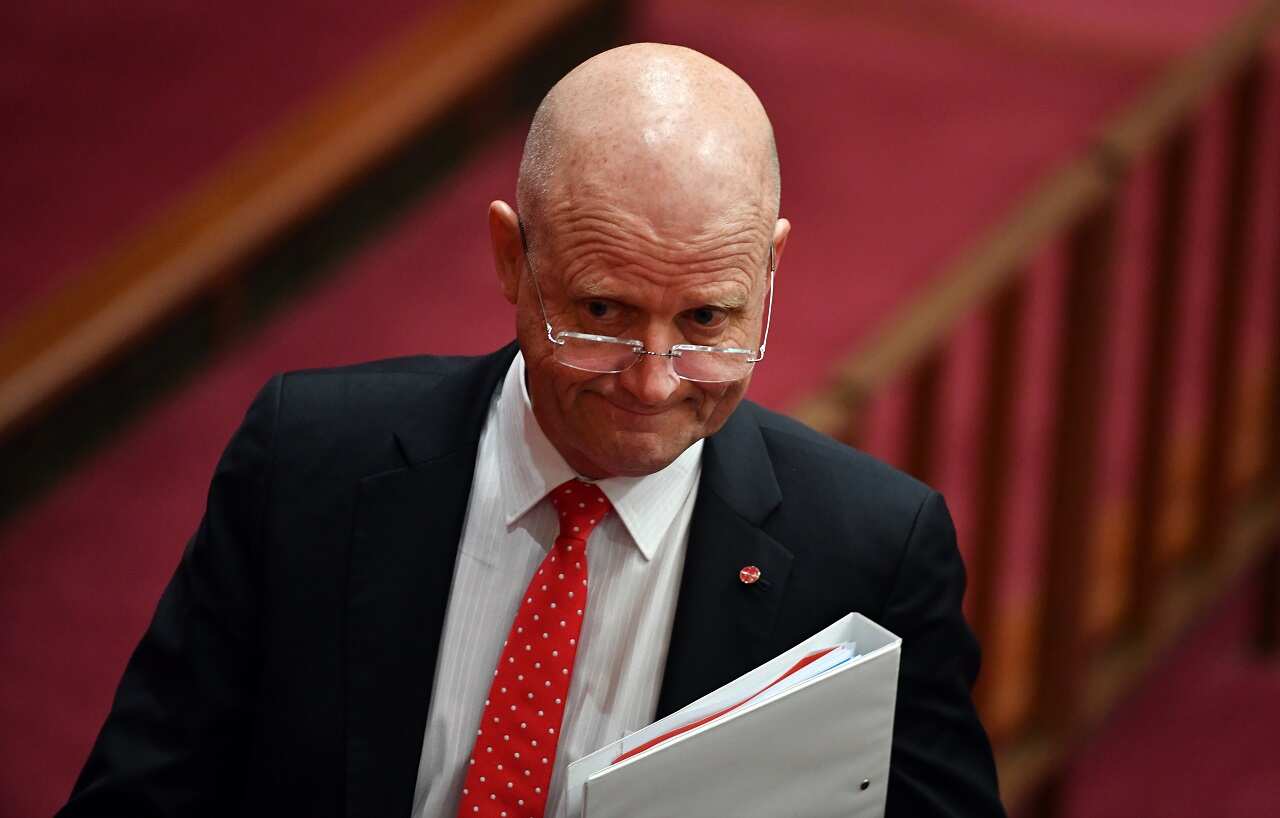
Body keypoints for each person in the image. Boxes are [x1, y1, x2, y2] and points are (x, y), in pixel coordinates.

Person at [59, 44, 1004, 818]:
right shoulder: (308, 459)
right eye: (601, 310)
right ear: (512, 257)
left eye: (710, 322)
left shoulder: (873, 555)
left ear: (772, 270)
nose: (651, 380)